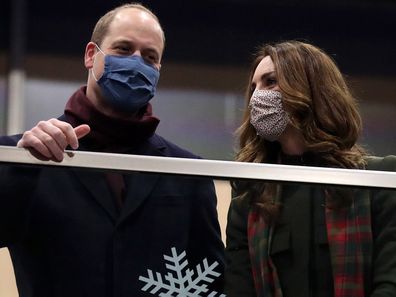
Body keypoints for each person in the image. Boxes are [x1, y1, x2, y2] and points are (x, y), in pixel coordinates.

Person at [0, 3, 224, 297]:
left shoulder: (187, 170)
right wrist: (20, 169)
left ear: (158, 69)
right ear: (91, 55)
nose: (136, 62)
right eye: (123, 49)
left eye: (149, 56)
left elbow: (212, 279)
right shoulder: (24, 154)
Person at [224, 40, 396, 297]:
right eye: (254, 88)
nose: (256, 97)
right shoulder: (249, 197)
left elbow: (390, 282)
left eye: (270, 82)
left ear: (309, 89)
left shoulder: (378, 179)